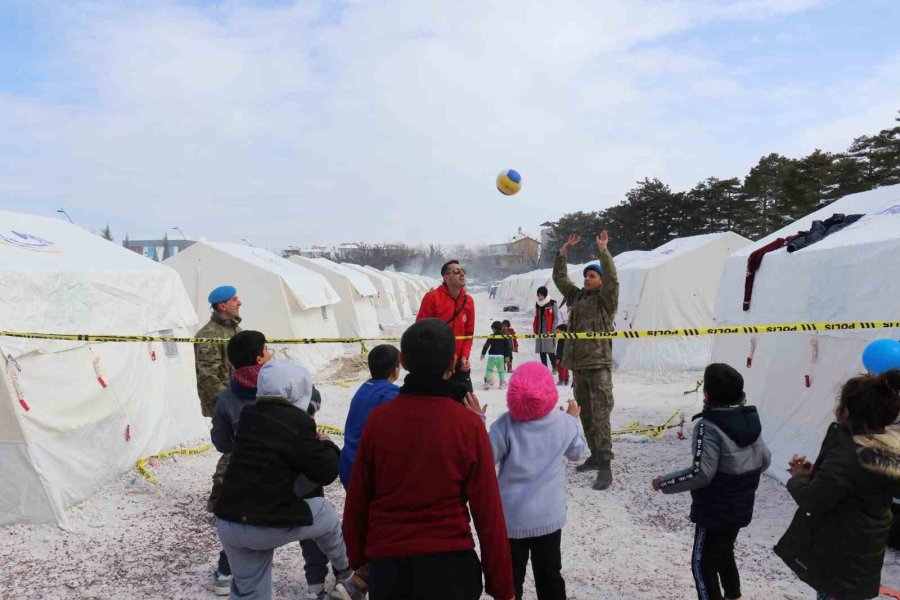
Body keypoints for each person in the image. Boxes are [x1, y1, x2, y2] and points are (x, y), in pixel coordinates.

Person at [342, 318, 514, 600]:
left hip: (390, 565)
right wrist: (502, 585)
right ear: (452, 363)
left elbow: (359, 495)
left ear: (403, 361)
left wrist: (359, 556)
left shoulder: (379, 420)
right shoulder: (467, 425)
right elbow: (488, 509)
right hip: (451, 567)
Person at [215, 358, 358, 600]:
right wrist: (325, 443)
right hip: (264, 523)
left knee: (250, 593)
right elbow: (325, 471)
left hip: (230, 521)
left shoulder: (248, 415)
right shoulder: (295, 421)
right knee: (324, 511)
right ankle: (345, 570)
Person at [775, 370, 900, 600]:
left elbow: (815, 499)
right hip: (863, 549)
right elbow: (856, 487)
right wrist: (819, 473)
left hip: (839, 553)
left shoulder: (850, 454)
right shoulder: (888, 449)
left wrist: (799, 477)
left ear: (848, 411)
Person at [651, 363, 771, 600]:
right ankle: (734, 596)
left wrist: (663, 483)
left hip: (714, 510)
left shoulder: (708, 426)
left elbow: (701, 473)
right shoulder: (749, 419)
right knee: (725, 552)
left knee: (702, 564)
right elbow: (764, 460)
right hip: (741, 506)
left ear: (707, 394)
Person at [486, 362, 587, 600]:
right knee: (550, 574)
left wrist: (478, 421)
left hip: (511, 518)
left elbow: (486, 458)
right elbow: (577, 453)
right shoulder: (562, 423)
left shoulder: (504, 425)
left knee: (511, 578)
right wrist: (573, 421)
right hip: (548, 517)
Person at [333, 345, 402, 600]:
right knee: (381, 527)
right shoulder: (392, 395)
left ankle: (349, 569)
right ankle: (358, 580)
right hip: (368, 470)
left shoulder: (363, 389)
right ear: (398, 367)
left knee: (359, 518)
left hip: (348, 464)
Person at [552, 231, 619, 490]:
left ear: (601, 280)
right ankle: (594, 455)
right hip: (579, 367)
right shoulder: (577, 297)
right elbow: (559, 278)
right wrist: (563, 251)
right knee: (587, 416)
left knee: (601, 416)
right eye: (586, 276)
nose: (587, 279)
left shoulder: (606, 301)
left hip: (599, 366)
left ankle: (605, 466)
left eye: (592, 276)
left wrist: (603, 251)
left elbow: (613, 280)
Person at [416, 260, 475, 392]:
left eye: (463, 271)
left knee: (466, 407)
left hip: (459, 365)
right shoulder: (432, 298)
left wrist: (465, 356)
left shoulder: (469, 301)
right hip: (436, 366)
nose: (462, 274)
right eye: (456, 271)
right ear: (446, 277)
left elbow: (468, 334)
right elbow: (420, 331)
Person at [195, 285, 243, 417]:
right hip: (223, 404)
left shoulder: (236, 330)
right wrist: (228, 399)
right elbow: (207, 374)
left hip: (239, 398)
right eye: (234, 300)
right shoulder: (209, 335)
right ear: (222, 306)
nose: (239, 303)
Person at [533, 286, 558, 372]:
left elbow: (556, 318)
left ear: (545, 295)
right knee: (541, 350)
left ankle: (554, 367)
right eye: (538, 295)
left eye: (541, 295)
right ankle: (544, 368)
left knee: (549, 349)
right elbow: (537, 317)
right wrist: (535, 328)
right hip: (540, 330)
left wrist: (553, 330)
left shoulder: (552, 303)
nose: (540, 297)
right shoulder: (538, 304)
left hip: (548, 330)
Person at [482, 320, 512, 390]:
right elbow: (507, 347)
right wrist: (507, 356)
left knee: (489, 370)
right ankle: (502, 384)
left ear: (493, 329)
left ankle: (488, 383)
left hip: (491, 356)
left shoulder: (491, 336)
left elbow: (486, 345)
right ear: (502, 328)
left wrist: (483, 353)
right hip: (500, 357)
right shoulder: (504, 337)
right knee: (501, 371)